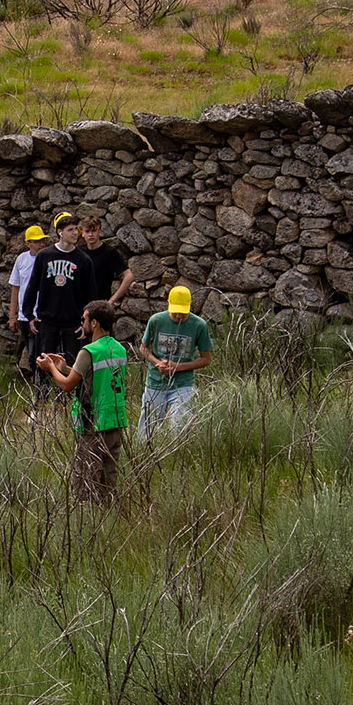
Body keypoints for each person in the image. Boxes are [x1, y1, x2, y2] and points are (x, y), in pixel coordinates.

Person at [37, 300, 130, 504]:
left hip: (93, 424)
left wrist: (51, 368)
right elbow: (96, 377)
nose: (82, 323)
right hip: (115, 422)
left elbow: (67, 386)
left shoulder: (89, 351)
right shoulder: (119, 349)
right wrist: (65, 367)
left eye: (84, 319)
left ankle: (87, 525)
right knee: (108, 482)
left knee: (86, 484)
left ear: (94, 322)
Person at [23, 212, 97, 395]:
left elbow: (91, 295)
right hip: (47, 320)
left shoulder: (84, 260)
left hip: (72, 321)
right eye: (70, 230)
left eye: (76, 230)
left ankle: (73, 401)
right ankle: (39, 402)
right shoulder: (44, 256)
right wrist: (29, 315)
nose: (75, 234)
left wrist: (85, 323)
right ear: (60, 232)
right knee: (43, 363)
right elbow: (32, 287)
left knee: (73, 365)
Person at [135, 286, 213, 439]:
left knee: (180, 426)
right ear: (168, 303)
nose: (178, 316)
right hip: (156, 382)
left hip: (183, 383)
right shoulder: (156, 320)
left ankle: (177, 457)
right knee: (148, 428)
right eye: (175, 311)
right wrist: (157, 363)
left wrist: (178, 367)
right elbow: (144, 348)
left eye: (183, 312)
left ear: (190, 306)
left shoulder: (199, 325)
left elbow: (206, 359)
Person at [7, 226, 49, 384]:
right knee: (32, 354)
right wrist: (13, 315)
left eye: (43, 240)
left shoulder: (48, 258)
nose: (41, 244)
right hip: (24, 316)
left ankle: (42, 386)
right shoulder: (21, 259)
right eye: (37, 241)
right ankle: (40, 385)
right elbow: (15, 288)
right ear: (28, 243)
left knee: (36, 353)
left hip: (41, 315)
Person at [78, 214, 134, 307]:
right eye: (87, 231)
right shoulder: (78, 252)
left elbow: (129, 276)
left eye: (94, 231)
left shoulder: (109, 252)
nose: (90, 234)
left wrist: (111, 300)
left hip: (100, 306)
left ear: (100, 232)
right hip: (79, 305)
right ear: (82, 233)